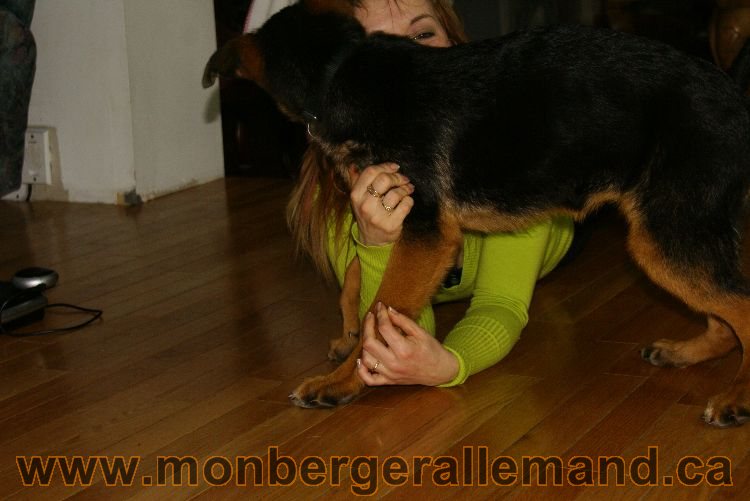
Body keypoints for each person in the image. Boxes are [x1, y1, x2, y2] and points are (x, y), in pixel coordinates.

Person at [286, 0, 575, 389]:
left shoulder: (511, 146)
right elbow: (401, 338)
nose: (405, 59)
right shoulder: (337, 192)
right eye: (376, 46)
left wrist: (452, 365)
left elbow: (501, 303)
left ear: (457, 45)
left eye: (423, 34)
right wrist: (376, 242)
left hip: (558, 233)